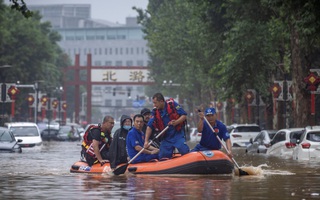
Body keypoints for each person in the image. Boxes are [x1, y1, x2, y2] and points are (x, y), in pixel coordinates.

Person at [144, 93, 189, 160]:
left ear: (161, 101)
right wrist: (146, 141)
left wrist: (176, 122)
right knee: (163, 156)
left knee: (184, 150)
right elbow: (149, 126)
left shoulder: (172, 104)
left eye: (155, 103)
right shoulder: (155, 112)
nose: (154, 105)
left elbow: (184, 116)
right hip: (166, 137)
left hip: (177, 134)